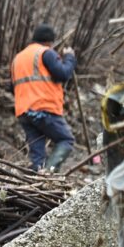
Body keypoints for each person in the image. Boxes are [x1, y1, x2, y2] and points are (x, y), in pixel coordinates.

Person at [11, 23, 77, 172]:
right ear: (49, 42)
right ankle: (48, 174)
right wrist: (69, 58)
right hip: (43, 108)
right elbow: (63, 73)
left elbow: (12, 86)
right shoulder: (46, 53)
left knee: (37, 154)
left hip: (24, 112)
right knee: (65, 140)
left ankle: (37, 183)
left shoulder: (18, 58)